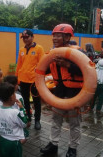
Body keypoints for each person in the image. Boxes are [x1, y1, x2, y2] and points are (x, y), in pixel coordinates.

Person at [40, 24, 83, 157]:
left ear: (68, 37)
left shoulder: (78, 53)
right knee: (55, 120)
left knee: (74, 123)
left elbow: (86, 72)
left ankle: (72, 148)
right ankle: (53, 145)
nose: (55, 38)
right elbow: (44, 70)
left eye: (59, 35)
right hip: (59, 92)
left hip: (74, 93)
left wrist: (66, 64)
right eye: (54, 35)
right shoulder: (52, 53)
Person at [15, 29, 45, 130]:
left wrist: (40, 79)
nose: (25, 39)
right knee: (25, 101)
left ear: (32, 37)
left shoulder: (39, 48)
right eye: (23, 38)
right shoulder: (21, 50)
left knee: (36, 101)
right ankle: (28, 117)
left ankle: (37, 120)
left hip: (34, 80)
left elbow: (42, 64)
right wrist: (17, 78)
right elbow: (19, 65)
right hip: (23, 80)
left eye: (27, 37)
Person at [0, 82, 28, 157]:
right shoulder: (15, 112)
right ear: (11, 97)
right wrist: (22, 109)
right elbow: (24, 124)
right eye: (14, 93)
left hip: (2, 140)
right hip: (14, 143)